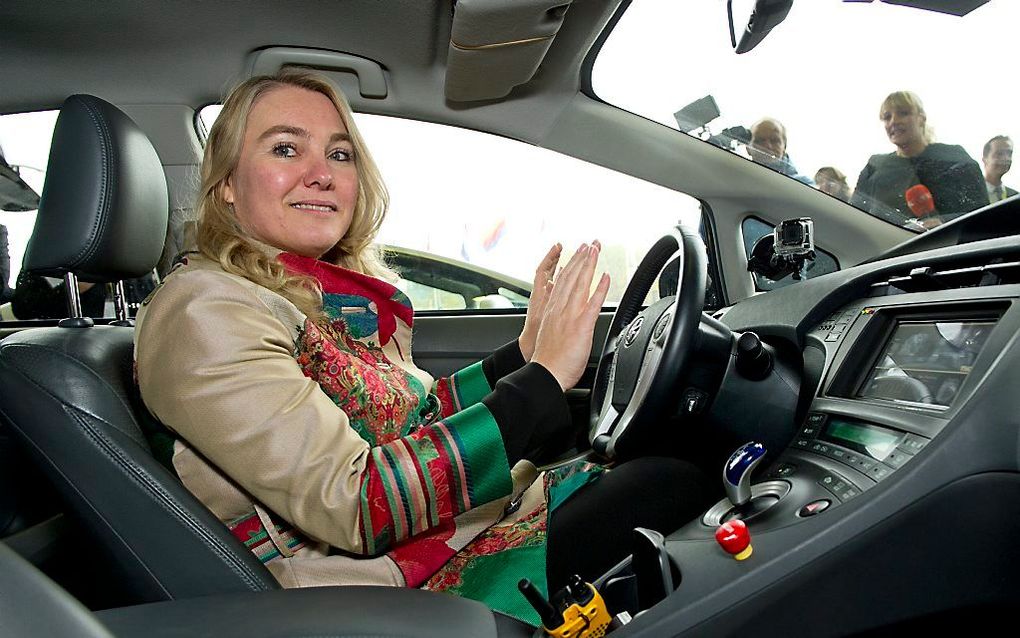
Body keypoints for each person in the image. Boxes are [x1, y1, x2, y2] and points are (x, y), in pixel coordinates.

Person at [134, 70, 712, 624]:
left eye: (340, 154)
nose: (322, 174)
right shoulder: (203, 310)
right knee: (673, 480)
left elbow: (410, 417)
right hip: (377, 593)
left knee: (656, 464)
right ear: (228, 184)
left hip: (447, 535)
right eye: (286, 149)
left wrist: (523, 357)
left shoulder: (298, 293)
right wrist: (540, 381)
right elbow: (353, 498)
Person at [852, 91, 986, 227]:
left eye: (903, 113)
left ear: (922, 118)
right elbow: (855, 219)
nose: (894, 121)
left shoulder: (955, 158)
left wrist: (944, 223)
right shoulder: (874, 167)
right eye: (887, 117)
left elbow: (983, 213)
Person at [748, 117, 812, 184]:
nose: (767, 146)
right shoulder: (739, 178)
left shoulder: (804, 186)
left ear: (784, 147)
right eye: (760, 140)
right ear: (748, 148)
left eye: (774, 140)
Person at [981, 135, 1017, 203]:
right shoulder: (972, 194)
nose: (1006, 158)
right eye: (999, 154)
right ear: (985, 159)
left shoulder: (1015, 197)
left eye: (1009, 153)